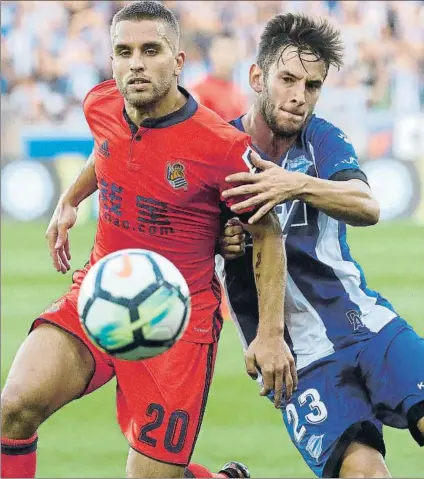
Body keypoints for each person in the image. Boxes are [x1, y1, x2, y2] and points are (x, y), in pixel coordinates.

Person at [1, 3, 297, 479]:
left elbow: (265, 232)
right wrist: (71, 199)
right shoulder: (100, 104)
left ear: (177, 62)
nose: (136, 62)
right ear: (111, 60)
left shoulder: (222, 148)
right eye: (124, 51)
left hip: (177, 323)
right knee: (13, 407)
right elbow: (108, 150)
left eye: (150, 50)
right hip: (99, 294)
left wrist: (270, 334)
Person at [219, 13, 424, 479]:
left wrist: (293, 184)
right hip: (297, 359)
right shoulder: (217, 150)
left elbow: (366, 205)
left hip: (369, 325)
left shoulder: (322, 140)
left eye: (312, 86)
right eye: (287, 79)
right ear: (257, 76)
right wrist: (218, 236)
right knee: (365, 473)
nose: (299, 96)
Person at [191, 31, 247, 121]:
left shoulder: (239, 93)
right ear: (211, 52)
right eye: (221, 50)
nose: (225, 56)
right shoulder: (198, 92)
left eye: (230, 51)